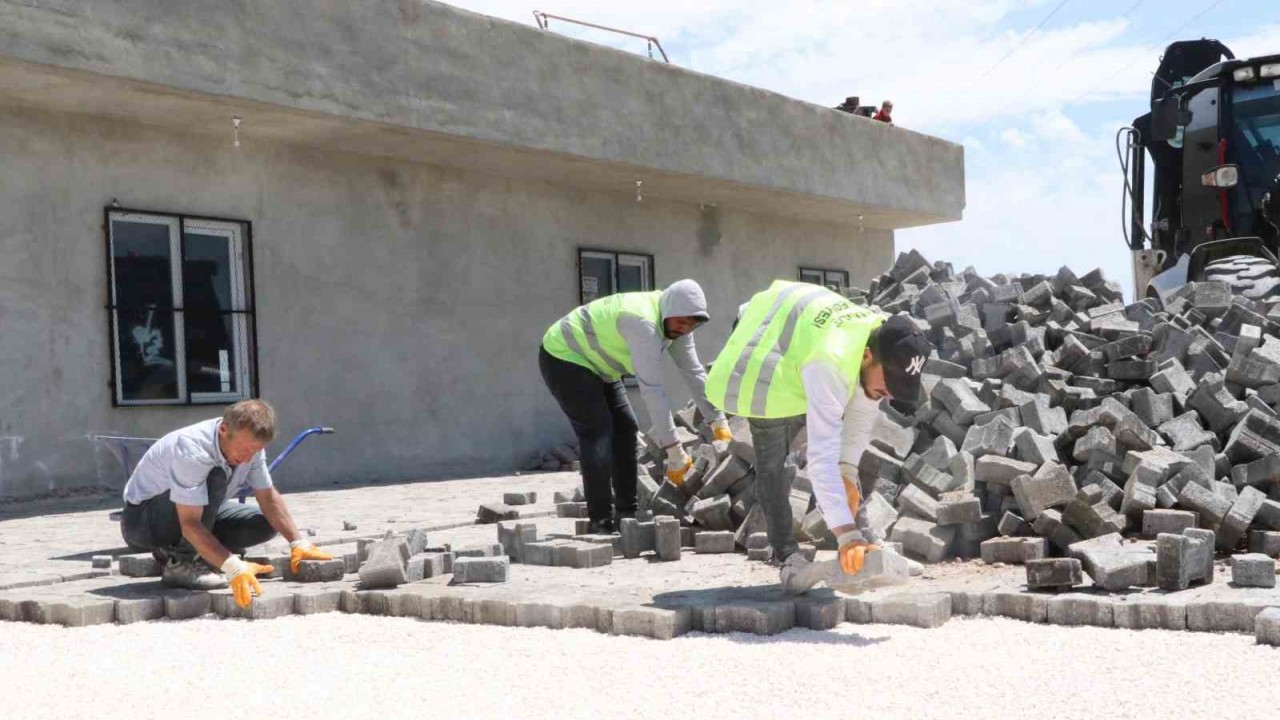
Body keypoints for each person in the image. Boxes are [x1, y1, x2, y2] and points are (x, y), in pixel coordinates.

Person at [705, 280, 932, 593]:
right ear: (867, 357)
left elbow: (859, 422)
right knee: (774, 463)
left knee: (845, 465)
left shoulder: (881, 338)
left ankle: (869, 544)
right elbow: (821, 460)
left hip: (799, 334)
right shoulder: (831, 359)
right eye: (887, 383)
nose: (890, 393)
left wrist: (849, 473)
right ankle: (788, 559)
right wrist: (845, 536)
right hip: (761, 346)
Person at [540, 280, 731, 534]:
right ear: (670, 310)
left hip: (601, 368)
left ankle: (627, 515)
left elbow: (694, 373)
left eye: (691, 325)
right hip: (564, 356)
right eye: (681, 323)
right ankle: (600, 521)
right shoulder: (642, 322)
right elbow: (652, 389)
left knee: (627, 429)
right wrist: (674, 450)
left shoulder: (678, 326)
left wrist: (719, 422)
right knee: (598, 432)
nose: (684, 329)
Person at [119, 399, 332, 607]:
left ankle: (182, 554)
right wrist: (233, 567)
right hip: (142, 523)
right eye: (244, 449)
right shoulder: (193, 448)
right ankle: (182, 564)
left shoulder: (250, 447)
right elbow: (190, 524)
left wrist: (297, 542)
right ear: (223, 430)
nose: (248, 458)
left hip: (191, 512)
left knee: (266, 522)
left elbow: (267, 496)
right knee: (215, 476)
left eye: (254, 451)